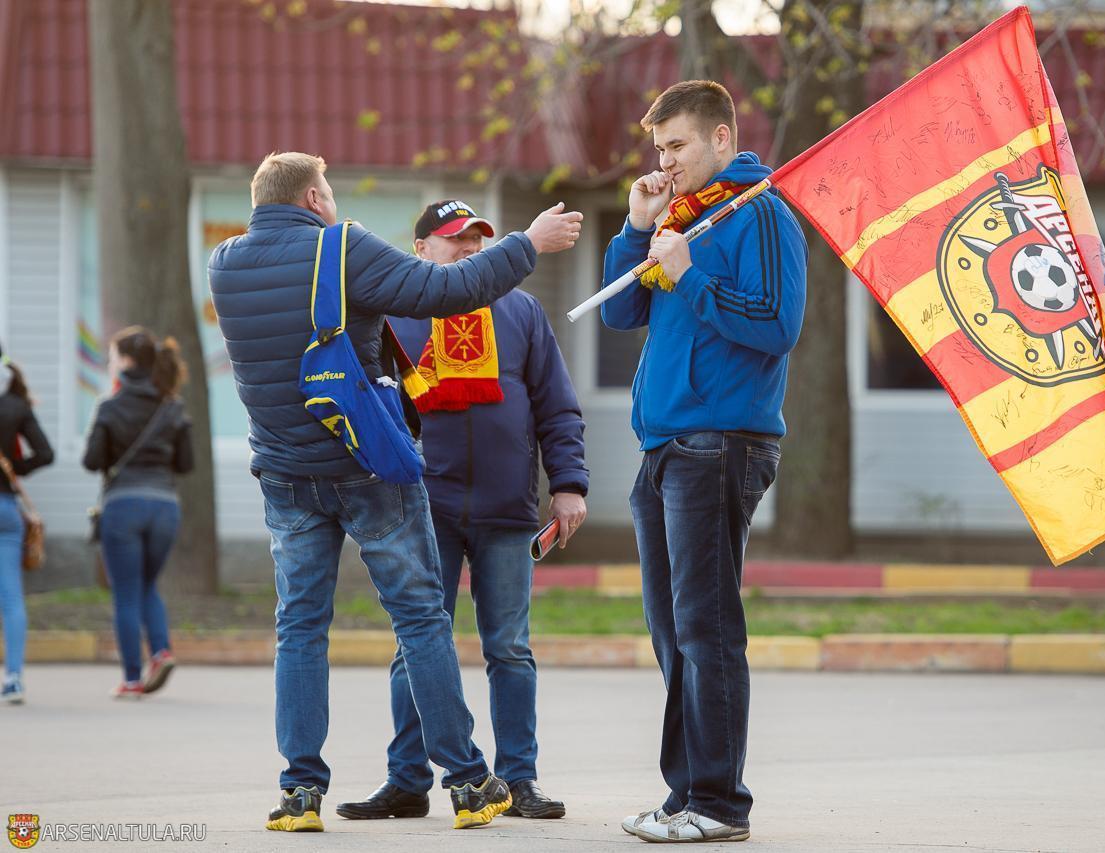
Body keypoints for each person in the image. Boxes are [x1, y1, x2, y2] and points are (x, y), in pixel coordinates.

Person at [208, 152, 581, 833]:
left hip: (286, 475)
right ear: (314, 197)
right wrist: (526, 243)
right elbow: (445, 292)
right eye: (328, 191)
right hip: (365, 465)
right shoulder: (341, 247)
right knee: (420, 620)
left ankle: (300, 791)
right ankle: (467, 781)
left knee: (299, 627)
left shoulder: (224, 263)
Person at [600, 81, 807, 843]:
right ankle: (685, 792)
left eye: (678, 145)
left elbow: (778, 324)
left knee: (706, 626)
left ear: (722, 138)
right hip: (663, 445)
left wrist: (689, 273)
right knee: (671, 628)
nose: (665, 161)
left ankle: (719, 804)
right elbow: (619, 310)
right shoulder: (681, 216)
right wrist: (637, 228)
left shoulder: (760, 212)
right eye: (659, 148)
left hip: (719, 442)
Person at [338, 200, 589, 823]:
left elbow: (557, 406)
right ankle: (407, 779)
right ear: (421, 249)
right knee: (417, 645)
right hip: (424, 508)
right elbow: (368, 408)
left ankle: (519, 779)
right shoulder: (393, 315)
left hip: (508, 509)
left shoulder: (521, 311)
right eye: (456, 240)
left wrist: (569, 484)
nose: (471, 249)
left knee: (510, 649)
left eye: (478, 239)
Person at [83, 328, 193, 700]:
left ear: (127, 361)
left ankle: (132, 679)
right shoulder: (172, 406)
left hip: (123, 506)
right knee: (147, 583)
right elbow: (186, 463)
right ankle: (161, 652)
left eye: (113, 356)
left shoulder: (110, 405)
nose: (110, 362)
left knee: (126, 592)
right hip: (165, 507)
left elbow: (92, 461)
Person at [0, 349, 54, 705]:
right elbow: (46, 453)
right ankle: (14, 678)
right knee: (11, 597)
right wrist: (15, 469)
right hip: (6, 509)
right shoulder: (16, 404)